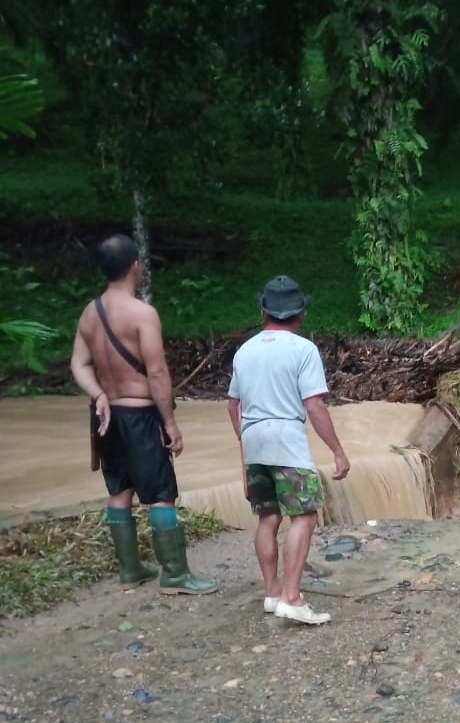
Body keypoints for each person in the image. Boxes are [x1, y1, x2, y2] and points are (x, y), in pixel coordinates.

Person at [70, 234, 217, 594]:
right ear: (135, 265)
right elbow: (156, 372)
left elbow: (78, 363)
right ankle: (175, 575)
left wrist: (99, 394)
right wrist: (169, 423)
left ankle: (131, 570)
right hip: (139, 417)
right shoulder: (142, 314)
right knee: (161, 493)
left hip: (105, 418)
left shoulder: (90, 312)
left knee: (120, 489)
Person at [227, 275, 350, 626]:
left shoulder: (245, 350)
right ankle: (292, 598)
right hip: (286, 441)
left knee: (268, 517)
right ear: (302, 313)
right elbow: (314, 405)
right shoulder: (303, 350)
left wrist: (244, 453)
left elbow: (232, 405)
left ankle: (272, 593)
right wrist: (338, 451)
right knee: (305, 515)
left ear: (263, 310)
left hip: (253, 441)